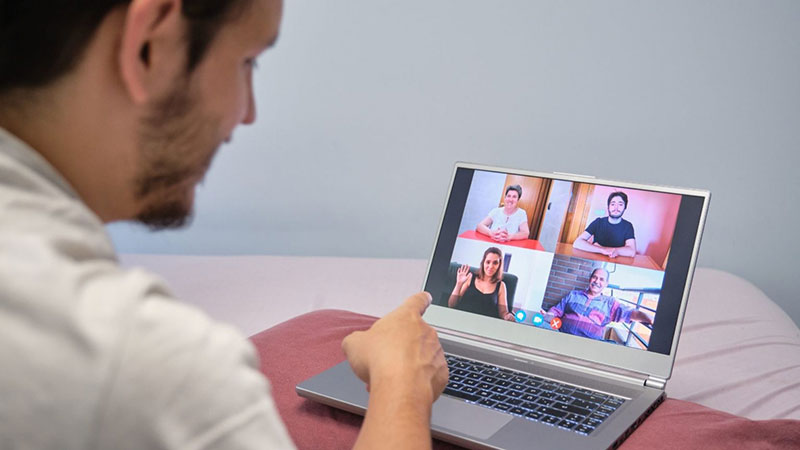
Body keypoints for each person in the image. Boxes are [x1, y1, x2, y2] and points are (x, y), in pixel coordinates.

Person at [0, 1, 447, 449]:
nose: (246, 112)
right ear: (149, 45)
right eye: (247, 62)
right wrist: (403, 386)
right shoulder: (141, 363)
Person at [541, 268, 652, 341]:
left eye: (601, 279)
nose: (597, 281)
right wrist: (548, 315)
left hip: (588, 345)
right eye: (594, 277)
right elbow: (556, 311)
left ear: (606, 284)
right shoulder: (573, 294)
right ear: (590, 279)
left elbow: (630, 313)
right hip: (562, 337)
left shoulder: (610, 303)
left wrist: (650, 318)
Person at [448, 247, 516, 321]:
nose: (490, 266)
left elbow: (503, 313)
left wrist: (508, 316)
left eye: (495, 263)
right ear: (483, 262)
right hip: (462, 320)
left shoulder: (501, 285)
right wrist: (459, 284)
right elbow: (451, 305)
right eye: (488, 262)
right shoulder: (470, 277)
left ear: (499, 265)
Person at [573, 191, 636, 258]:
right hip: (595, 260)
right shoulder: (598, 222)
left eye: (620, 204)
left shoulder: (628, 226)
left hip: (615, 262)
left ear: (625, 207)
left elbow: (631, 251)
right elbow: (577, 243)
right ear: (608, 207)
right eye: (612, 204)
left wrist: (614, 251)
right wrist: (602, 250)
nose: (616, 208)